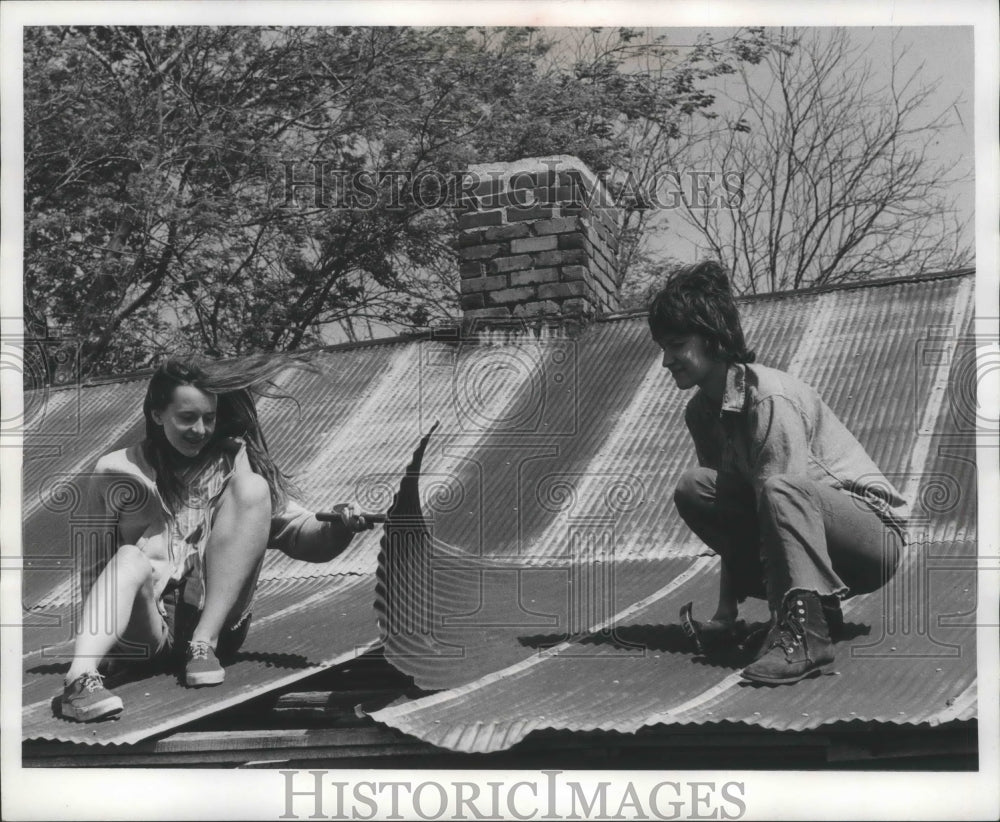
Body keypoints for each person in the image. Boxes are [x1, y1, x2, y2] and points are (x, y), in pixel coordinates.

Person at [60, 356, 372, 722]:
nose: (201, 429)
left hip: (216, 626)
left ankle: (202, 644)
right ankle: (78, 680)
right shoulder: (116, 471)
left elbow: (303, 535)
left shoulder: (237, 466)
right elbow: (96, 566)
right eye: (187, 417)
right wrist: (102, 649)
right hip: (147, 631)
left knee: (254, 488)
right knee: (129, 556)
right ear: (158, 415)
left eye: (209, 417)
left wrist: (340, 525)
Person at [648, 262, 908, 685]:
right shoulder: (701, 413)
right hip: (806, 532)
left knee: (778, 488)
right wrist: (725, 615)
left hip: (871, 542)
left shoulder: (769, 397)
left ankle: (805, 634)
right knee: (695, 487)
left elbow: (780, 504)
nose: (665, 360)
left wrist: (777, 621)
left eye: (676, 344)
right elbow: (738, 513)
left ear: (713, 338)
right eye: (662, 346)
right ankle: (815, 612)